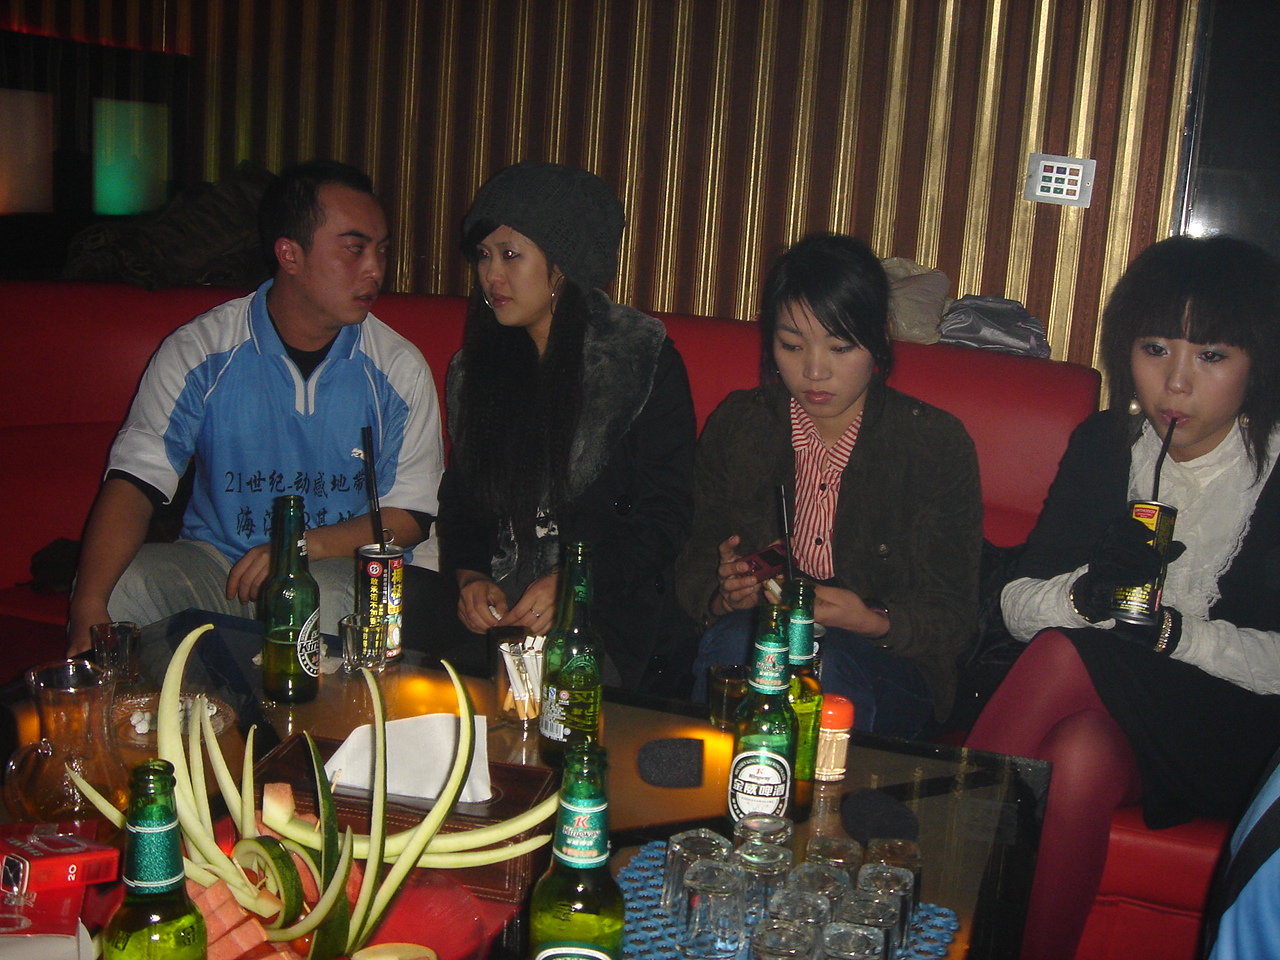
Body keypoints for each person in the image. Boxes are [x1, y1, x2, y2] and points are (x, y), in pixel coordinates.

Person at [964, 235, 1280, 960]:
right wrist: (1090, 596)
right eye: (1155, 348)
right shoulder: (1108, 445)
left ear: (1257, 362)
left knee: (1067, 653)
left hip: (1233, 730)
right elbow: (1015, 602)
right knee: (1078, 759)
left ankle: (930, 888)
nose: (1176, 384)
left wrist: (1174, 634)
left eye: (1212, 356)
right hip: (1118, 714)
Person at [67, 160, 443, 652]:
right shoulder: (201, 351)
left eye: (382, 250)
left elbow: (410, 515)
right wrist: (87, 607)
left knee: (327, 599)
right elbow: (134, 483)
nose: (375, 270)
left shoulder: (397, 368)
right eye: (355, 249)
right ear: (290, 254)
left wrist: (298, 549)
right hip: (220, 568)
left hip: (336, 567)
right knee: (121, 587)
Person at [676, 232, 983, 738]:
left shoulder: (934, 444)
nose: (814, 371)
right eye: (791, 345)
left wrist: (869, 619)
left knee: (830, 672)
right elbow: (691, 557)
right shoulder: (740, 425)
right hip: (756, 636)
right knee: (740, 648)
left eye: (840, 347)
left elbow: (952, 615)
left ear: (881, 337)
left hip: (885, 660)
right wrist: (723, 596)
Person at [435, 161, 697, 692]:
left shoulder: (639, 361)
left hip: (604, 614)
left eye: (511, 255)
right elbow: (461, 502)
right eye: (483, 255)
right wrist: (470, 576)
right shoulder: (476, 369)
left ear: (564, 264)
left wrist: (575, 583)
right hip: (500, 613)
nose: (491, 276)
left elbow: (665, 516)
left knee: (536, 691)